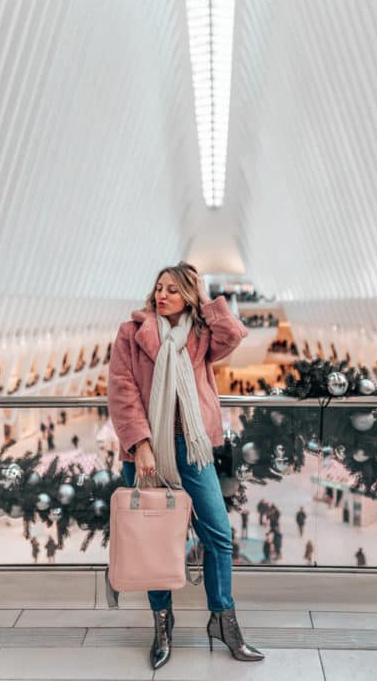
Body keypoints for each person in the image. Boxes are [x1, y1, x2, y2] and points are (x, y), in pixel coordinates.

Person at [108, 261, 264, 670]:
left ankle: (224, 621)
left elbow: (233, 335)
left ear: (189, 296)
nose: (162, 295)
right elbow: (122, 391)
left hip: (193, 448)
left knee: (219, 535)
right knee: (153, 540)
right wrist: (140, 444)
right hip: (147, 451)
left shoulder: (199, 334)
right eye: (159, 287)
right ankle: (163, 623)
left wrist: (207, 299)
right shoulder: (131, 333)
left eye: (173, 290)